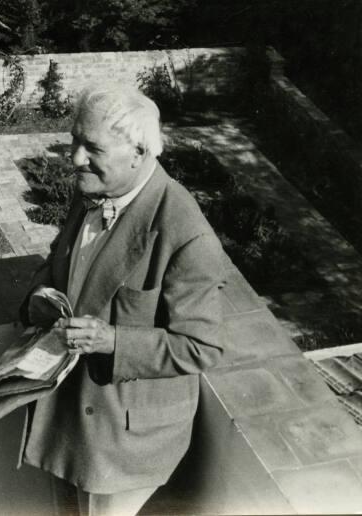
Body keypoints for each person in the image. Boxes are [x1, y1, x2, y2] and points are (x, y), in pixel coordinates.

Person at [18, 88, 227, 516]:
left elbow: (201, 347)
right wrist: (39, 296)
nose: (75, 158)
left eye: (92, 148)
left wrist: (111, 340)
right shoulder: (92, 189)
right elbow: (60, 260)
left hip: (122, 441)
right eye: (74, 140)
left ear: (139, 152)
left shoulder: (186, 233)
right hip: (66, 421)